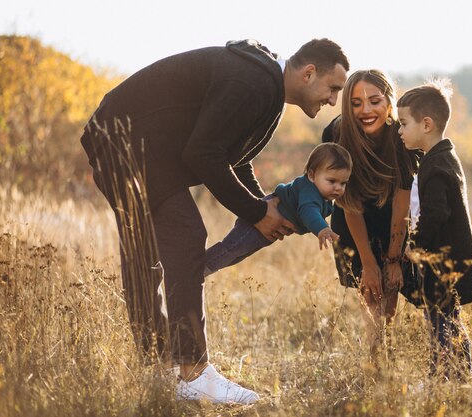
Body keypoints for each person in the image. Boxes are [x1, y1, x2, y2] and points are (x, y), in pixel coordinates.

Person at [80, 38, 349, 403]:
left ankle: (158, 368)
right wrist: (257, 213)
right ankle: (193, 371)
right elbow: (203, 153)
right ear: (308, 73)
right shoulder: (255, 83)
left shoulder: (265, 85)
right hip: (125, 139)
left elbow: (233, 158)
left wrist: (263, 205)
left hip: (127, 140)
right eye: (333, 88)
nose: (333, 100)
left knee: (147, 255)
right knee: (186, 236)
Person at [322, 69, 416, 358]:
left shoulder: (401, 136)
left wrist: (392, 258)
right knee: (370, 285)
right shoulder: (336, 133)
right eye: (356, 103)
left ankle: (384, 344)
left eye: (374, 101)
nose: (366, 110)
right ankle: (375, 354)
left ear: (389, 103)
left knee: (390, 291)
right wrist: (368, 263)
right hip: (352, 216)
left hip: (394, 218)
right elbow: (348, 202)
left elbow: (402, 201)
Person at [397, 78, 472, 379]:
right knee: (449, 322)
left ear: (427, 124)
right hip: (448, 261)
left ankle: (446, 380)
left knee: (441, 325)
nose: (399, 131)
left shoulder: (435, 165)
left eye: (404, 123)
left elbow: (435, 214)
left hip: (442, 263)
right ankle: (458, 376)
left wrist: (414, 246)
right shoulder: (444, 157)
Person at [203, 142, 352, 276]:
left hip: (268, 227)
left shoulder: (324, 198)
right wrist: (322, 229)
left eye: (343, 183)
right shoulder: (309, 191)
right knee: (233, 248)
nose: (338, 188)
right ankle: (197, 268)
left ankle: (202, 268)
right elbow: (308, 211)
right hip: (262, 217)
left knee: (238, 254)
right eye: (332, 181)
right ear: (312, 175)